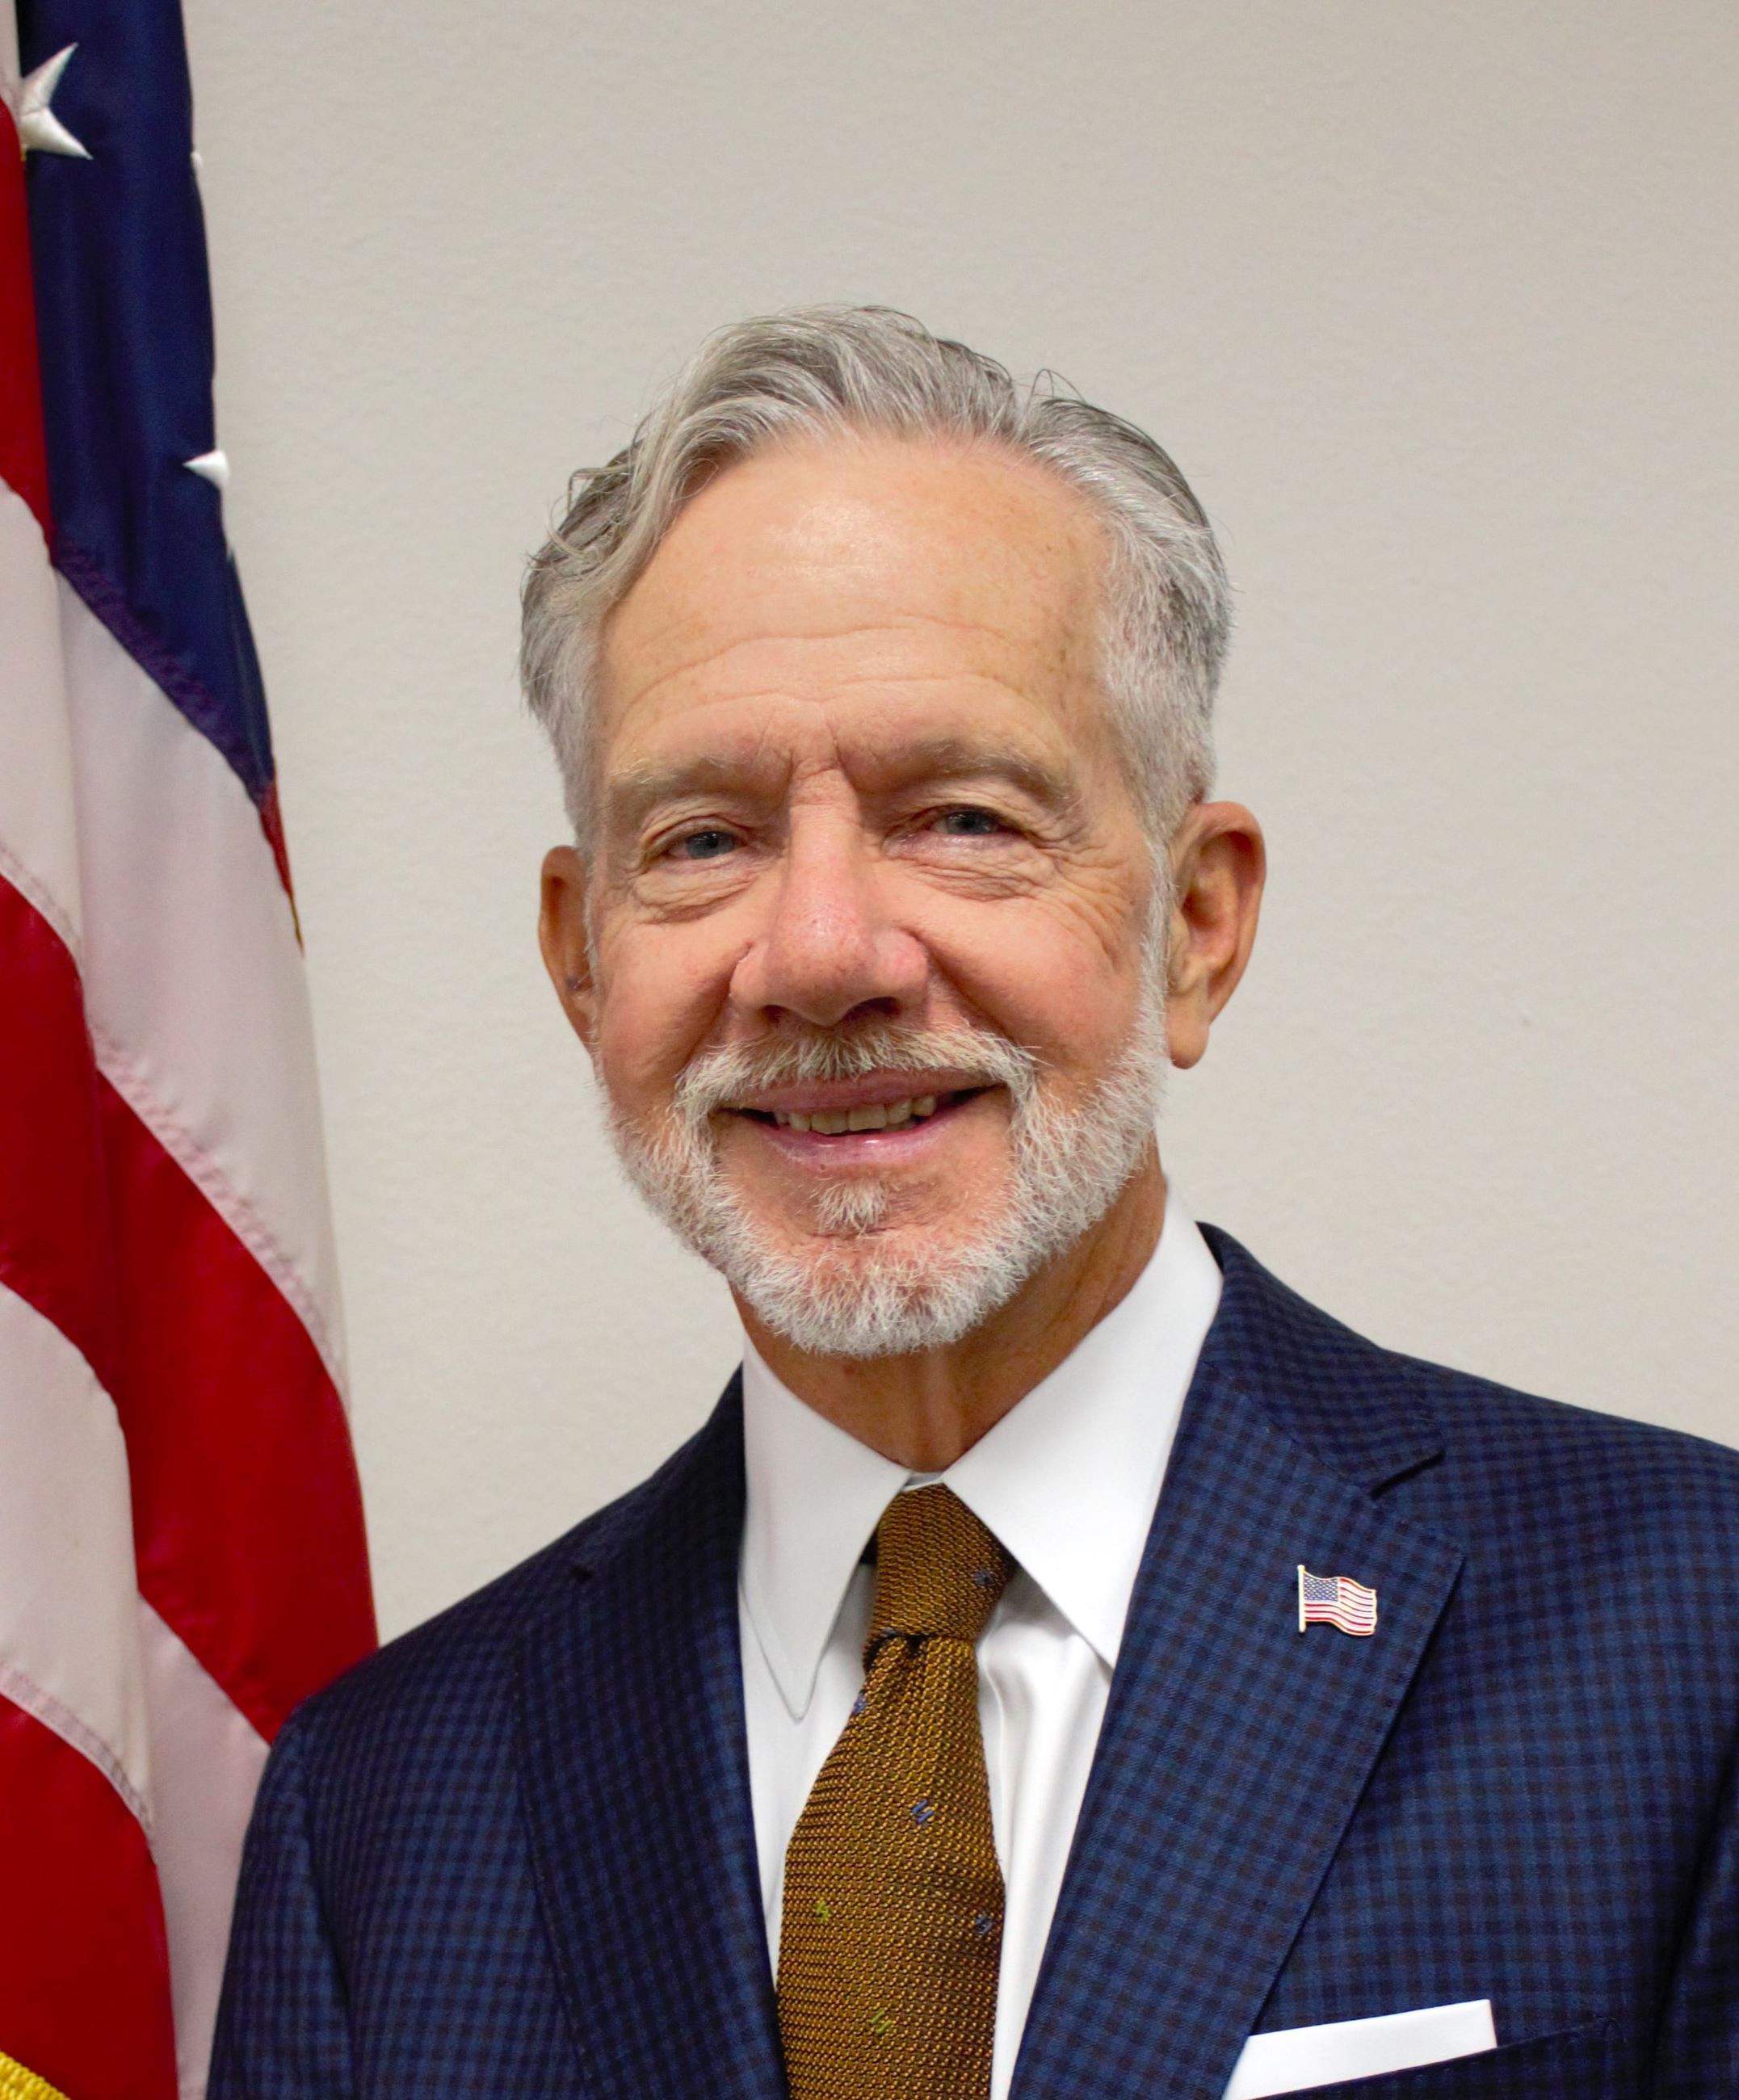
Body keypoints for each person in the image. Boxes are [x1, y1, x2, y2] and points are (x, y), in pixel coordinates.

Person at [210, 307, 1738, 2100]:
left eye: (961, 814)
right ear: (581, 960)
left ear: (1196, 919)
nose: (821, 953)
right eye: (702, 839)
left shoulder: (1688, 1637)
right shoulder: (378, 1809)